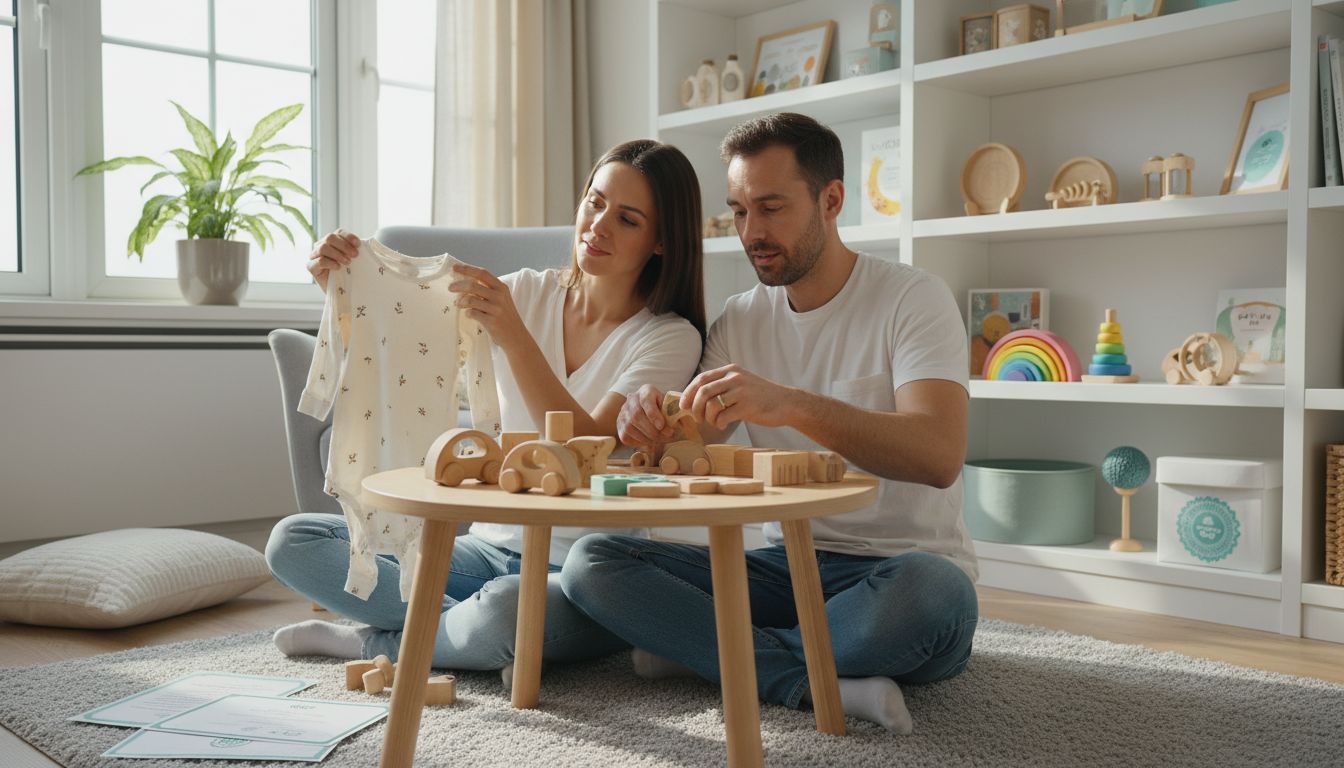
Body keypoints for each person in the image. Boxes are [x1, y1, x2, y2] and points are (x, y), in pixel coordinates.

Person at [560, 113, 978, 734]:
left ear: (831, 200)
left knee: (934, 596)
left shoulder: (913, 299)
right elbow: (688, 447)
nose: (751, 231)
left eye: (771, 207)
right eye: (738, 210)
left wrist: (792, 405)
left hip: (898, 571)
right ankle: (801, 678)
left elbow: (939, 454)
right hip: (787, 567)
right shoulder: (738, 322)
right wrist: (649, 420)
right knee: (593, 563)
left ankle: (712, 652)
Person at [265, 139, 706, 689]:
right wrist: (342, 285)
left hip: (581, 571)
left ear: (661, 240)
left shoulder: (669, 337)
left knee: (503, 610)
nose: (598, 225)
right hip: (486, 548)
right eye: (593, 202)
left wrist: (515, 338)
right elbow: (404, 341)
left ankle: (376, 642)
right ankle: (461, 638)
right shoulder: (522, 290)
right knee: (294, 540)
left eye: (627, 218)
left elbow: (586, 446)